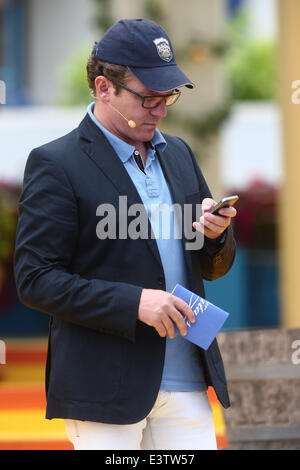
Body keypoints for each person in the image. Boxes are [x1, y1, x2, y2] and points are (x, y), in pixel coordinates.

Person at [14, 18, 237, 450]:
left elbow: (214, 266)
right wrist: (134, 303)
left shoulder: (180, 154)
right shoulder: (55, 164)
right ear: (103, 88)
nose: (162, 109)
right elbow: (35, 280)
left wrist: (215, 235)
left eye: (167, 96)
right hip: (104, 389)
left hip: (188, 379)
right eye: (148, 97)